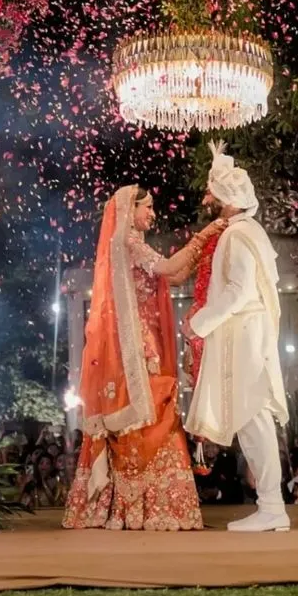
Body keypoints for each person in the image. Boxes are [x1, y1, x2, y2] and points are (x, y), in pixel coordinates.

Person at [62, 185, 224, 530]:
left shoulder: (135, 244)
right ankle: (142, 505)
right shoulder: (128, 243)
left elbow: (175, 273)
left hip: (145, 343)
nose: (153, 214)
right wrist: (207, 233)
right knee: (148, 412)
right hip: (135, 349)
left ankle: (148, 505)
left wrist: (205, 246)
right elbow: (168, 268)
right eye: (148, 207)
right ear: (128, 210)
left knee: (156, 409)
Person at [185, 142, 290, 532]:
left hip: (245, 333)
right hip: (246, 332)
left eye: (213, 191)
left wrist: (200, 323)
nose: (207, 197)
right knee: (251, 418)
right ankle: (271, 506)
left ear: (228, 198)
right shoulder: (244, 231)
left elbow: (240, 291)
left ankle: (272, 506)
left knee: (253, 417)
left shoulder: (238, 235)